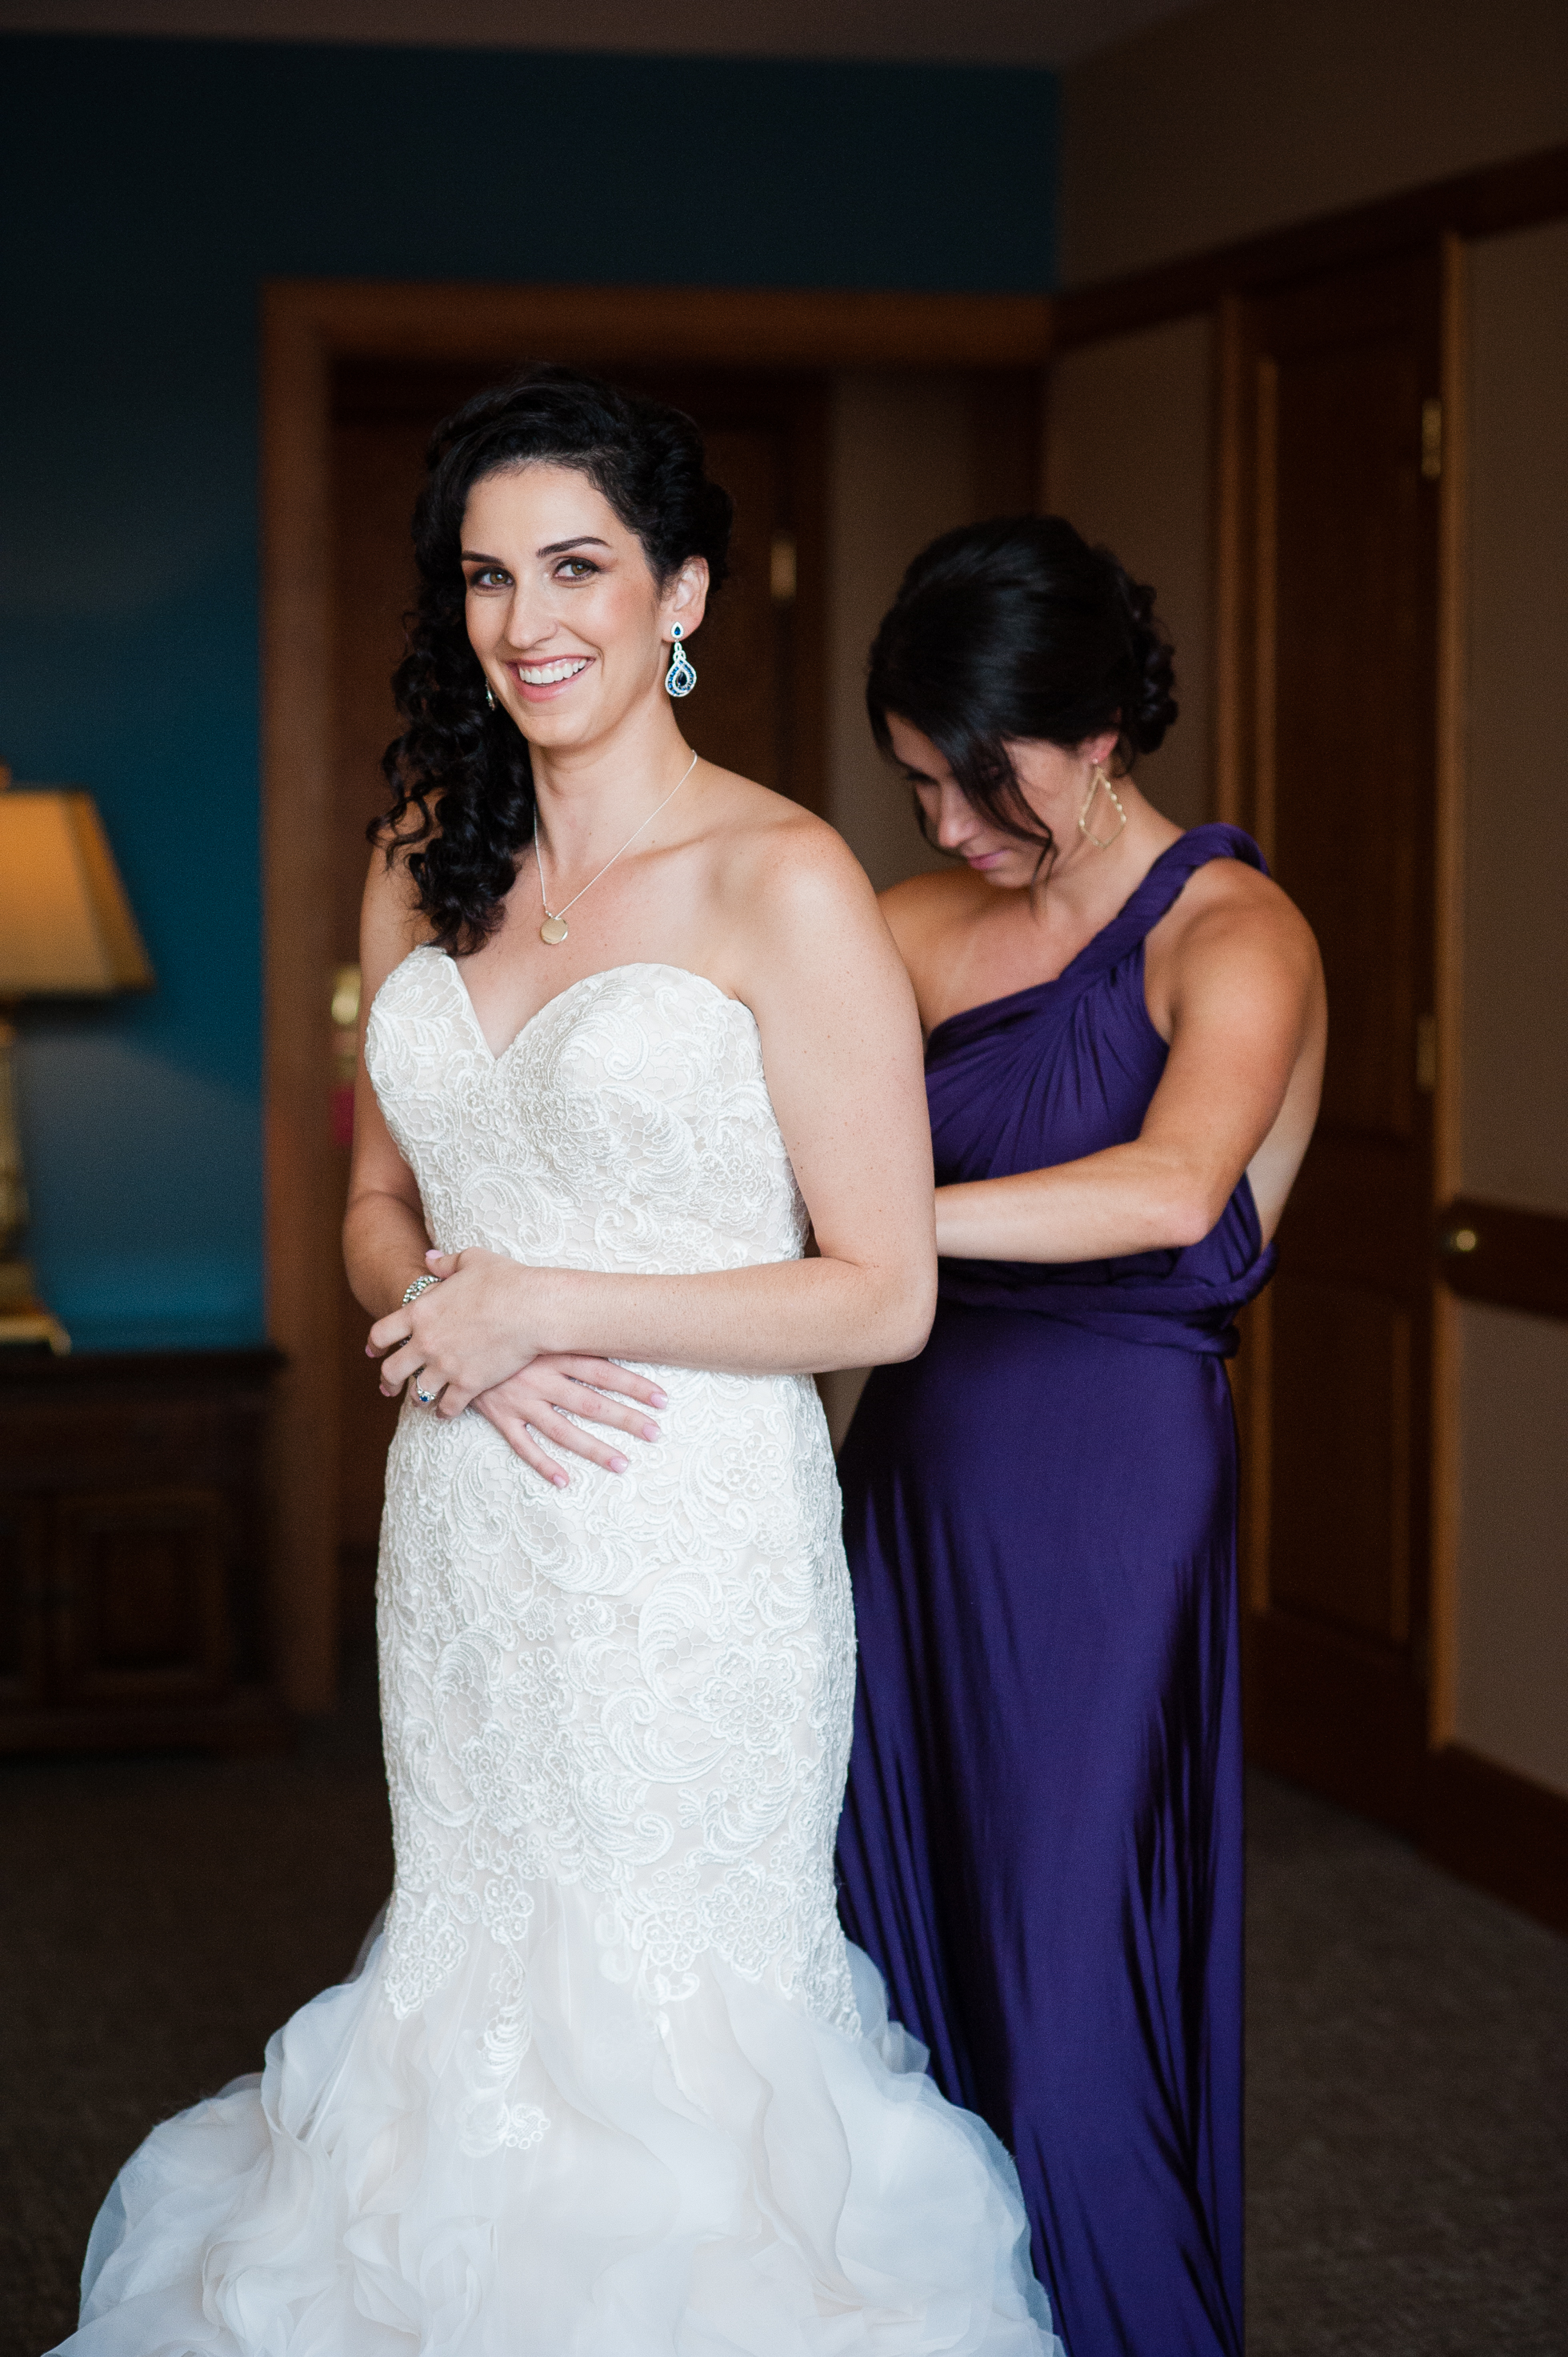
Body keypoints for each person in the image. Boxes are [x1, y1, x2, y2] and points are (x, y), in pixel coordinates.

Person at [55, 372, 1061, 2357]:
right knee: (475, 1969)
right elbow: (372, 1201)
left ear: (682, 590)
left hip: (681, 1546)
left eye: (579, 567)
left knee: (669, 1999)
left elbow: (876, 1292)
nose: (529, 620)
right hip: (463, 1526)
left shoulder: (787, 884)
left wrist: (549, 1307)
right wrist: (447, 1316)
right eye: (488, 577)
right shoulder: (422, 853)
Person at [834, 516, 1326, 2357]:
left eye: (978, 781)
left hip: (1105, 1487)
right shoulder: (903, 928)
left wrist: (879, 1224)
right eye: (915, 788)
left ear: (1097, 730)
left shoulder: (1235, 930)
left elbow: (1167, 1185)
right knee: (883, 1947)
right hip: (908, 1466)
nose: (950, 827)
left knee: (1055, 1980)